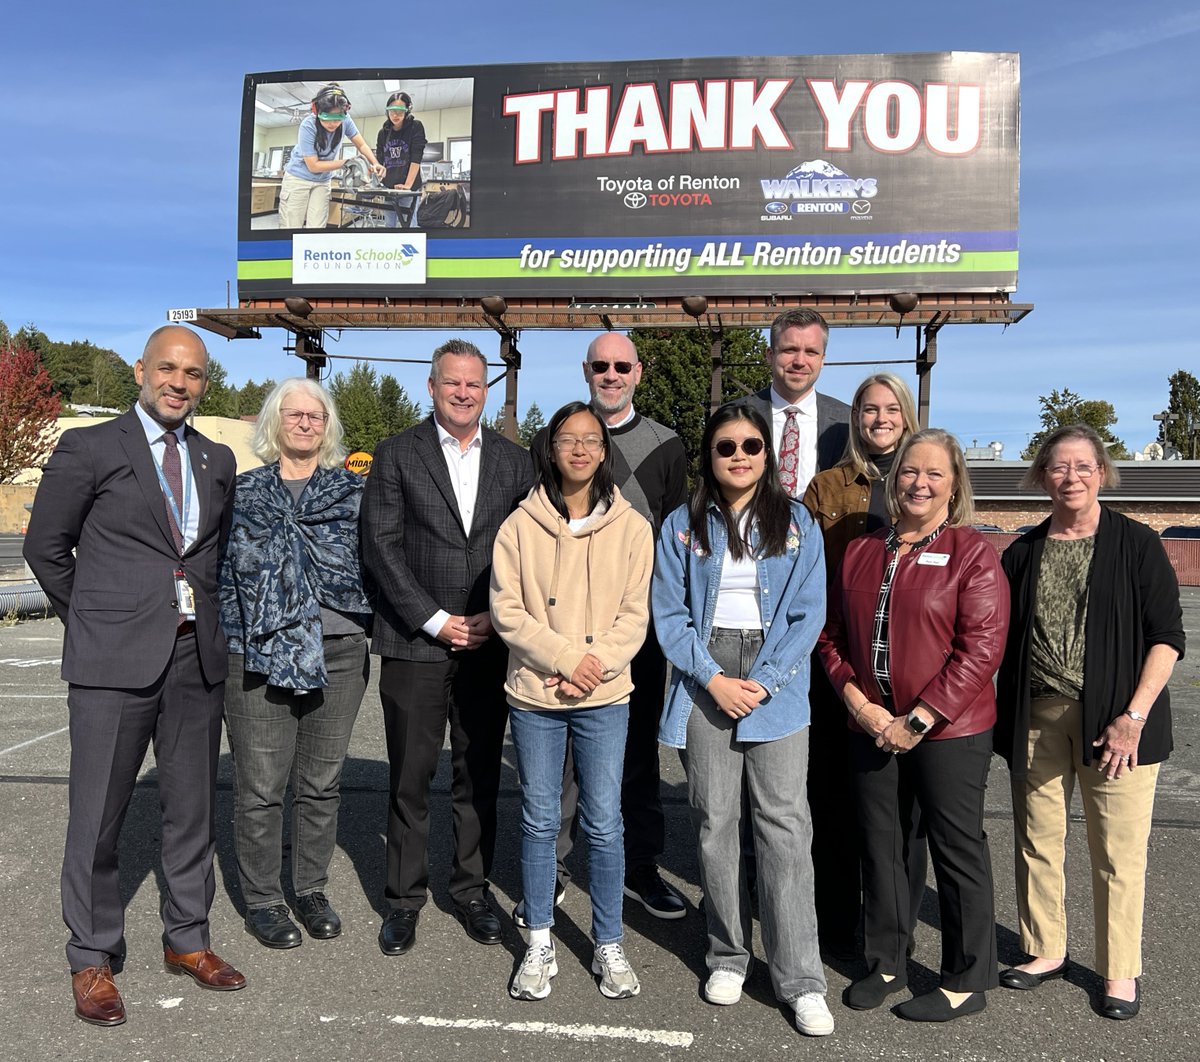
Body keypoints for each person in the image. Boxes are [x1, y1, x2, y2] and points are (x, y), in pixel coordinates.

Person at [24, 326, 242, 1027]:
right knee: (97, 816)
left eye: (194, 373)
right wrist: (95, 618)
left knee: (193, 810)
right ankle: (91, 954)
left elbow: (211, 555)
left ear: (204, 383)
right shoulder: (90, 447)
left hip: (194, 657)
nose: (179, 382)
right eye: (168, 368)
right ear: (141, 370)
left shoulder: (216, 458)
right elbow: (45, 547)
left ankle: (188, 938)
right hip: (111, 660)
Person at [652, 403, 833, 1036]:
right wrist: (713, 679)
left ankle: (801, 979)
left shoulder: (797, 522)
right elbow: (669, 614)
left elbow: (807, 612)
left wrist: (765, 680)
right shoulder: (682, 525)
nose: (738, 456)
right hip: (708, 670)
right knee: (715, 822)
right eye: (725, 446)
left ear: (766, 454)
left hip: (774, 670)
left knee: (785, 827)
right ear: (709, 455)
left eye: (751, 446)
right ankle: (728, 954)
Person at [818, 428, 1009, 1022]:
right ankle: (886, 961)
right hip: (871, 724)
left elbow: (981, 649)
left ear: (954, 487)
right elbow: (830, 637)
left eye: (934, 474)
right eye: (909, 471)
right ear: (893, 479)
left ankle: (967, 978)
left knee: (955, 847)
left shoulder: (971, 552)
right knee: (881, 847)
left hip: (949, 730)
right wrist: (859, 705)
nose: (919, 483)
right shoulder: (862, 550)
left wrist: (919, 719)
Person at [994, 425, 1184, 1021]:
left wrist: (1134, 716)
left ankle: (1118, 969)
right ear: (1041, 477)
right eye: (1058, 466)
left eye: (1083, 466)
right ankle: (1045, 948)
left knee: (1118, 851)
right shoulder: (1023, 551)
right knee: (1037, 838)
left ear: (1102, 473)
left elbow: (1167, 638)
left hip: (1118, 722)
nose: (1070, 477)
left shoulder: (1136, 544)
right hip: (1037, 716)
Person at [361, 339, 534, 958]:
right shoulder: (395, 453)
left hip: (490, 641)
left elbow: (530, 547)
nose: (464, 393)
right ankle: (403, 899)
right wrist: (435, 621)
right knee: (410, 776)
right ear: (432, 387)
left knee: (479, 772)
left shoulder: (516, 462)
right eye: (453, 382)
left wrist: (497, 615)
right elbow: (380, 546)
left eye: (474, 384)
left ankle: (471, 889)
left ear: (487, 391)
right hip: (416, 641)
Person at [519, 333, 687, 927]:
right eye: (600, 365)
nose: (610, 374)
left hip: (632, 630)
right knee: (562, 761)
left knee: (636, 752)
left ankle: (640, 865)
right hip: (560, 635)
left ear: (638, 372)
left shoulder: (667, 444)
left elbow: (676, 542)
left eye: (621, 365)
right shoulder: (551, 438)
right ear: (585, 370)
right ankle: (554, 868)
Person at [491, 401, 653, 1001]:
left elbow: (635, 615)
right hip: (537, 693)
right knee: (539, 820)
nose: (580, 449)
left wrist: (593, 666)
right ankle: (539, 938)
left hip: (604, 694)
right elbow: (507, 610)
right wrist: (564, 659)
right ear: (551, 448)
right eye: (568, 439)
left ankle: (608, 941)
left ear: (605, 451)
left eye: (591, 439)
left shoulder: (632, 528)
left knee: (604, 822)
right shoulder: (519, 525)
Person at [219, 379, 371, 950]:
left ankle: (310, 889)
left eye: (316, 415)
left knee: (321, 783)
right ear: (273, 422)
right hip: (259, 652)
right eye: (294, 414)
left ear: (327, 426)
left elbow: (377, 562)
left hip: (339, 648)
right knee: (260, 786)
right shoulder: (243, 493)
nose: (305, 423)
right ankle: (263, 899)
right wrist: (235, 639)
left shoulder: (352, 493)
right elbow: (223, 573)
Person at [801, 373, 926, 957]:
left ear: (906, 414)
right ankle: (836, 926)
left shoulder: (928, 480)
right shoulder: (827, 487)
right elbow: (804, 571)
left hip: (909, 670)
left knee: (901, 811)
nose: (881, 419)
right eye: (869, 409)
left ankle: (892, 933)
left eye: (891, 408)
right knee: (833, 798)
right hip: (838, 661)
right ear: (855, 418)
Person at [738, 308, 851, 498]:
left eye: (811, 352)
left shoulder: (848, 423)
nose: (800, 361)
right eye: (790, 350)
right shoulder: (735, 414)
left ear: (822, 359)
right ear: (770, 355)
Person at [278, 83, 385, 229]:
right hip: (298, 178)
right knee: (291, 226)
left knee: (317, 227)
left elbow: (361, 145)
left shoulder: (346, 120)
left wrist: (375, 162)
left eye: (337, 119)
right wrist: (349, 161)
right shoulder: (308, 125)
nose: (333, 124)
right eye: (327, 118)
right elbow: (313, 166)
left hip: (322, 181)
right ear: (317, 111)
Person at [375, 90, 427, 227]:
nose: (395, 115)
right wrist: (375, 179)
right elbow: (379, 160)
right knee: (389, 226)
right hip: (389, 188)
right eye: (392, 111)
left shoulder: (415, 127)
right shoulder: (383, 133)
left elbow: (416, 158)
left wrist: (407, 186)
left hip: (409, 189)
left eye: (400, 111)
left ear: (407, 110)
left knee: (408, 226)